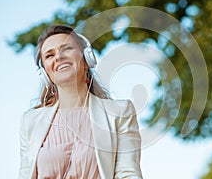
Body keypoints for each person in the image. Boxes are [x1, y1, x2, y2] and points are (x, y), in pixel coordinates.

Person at [19, 25, 143, 179]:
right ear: (45, 73)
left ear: (87, 59)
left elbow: (128, 174)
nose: (58, 57)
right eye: (49, 55)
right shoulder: (30, 121)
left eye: (66, 48)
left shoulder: (120, 112)